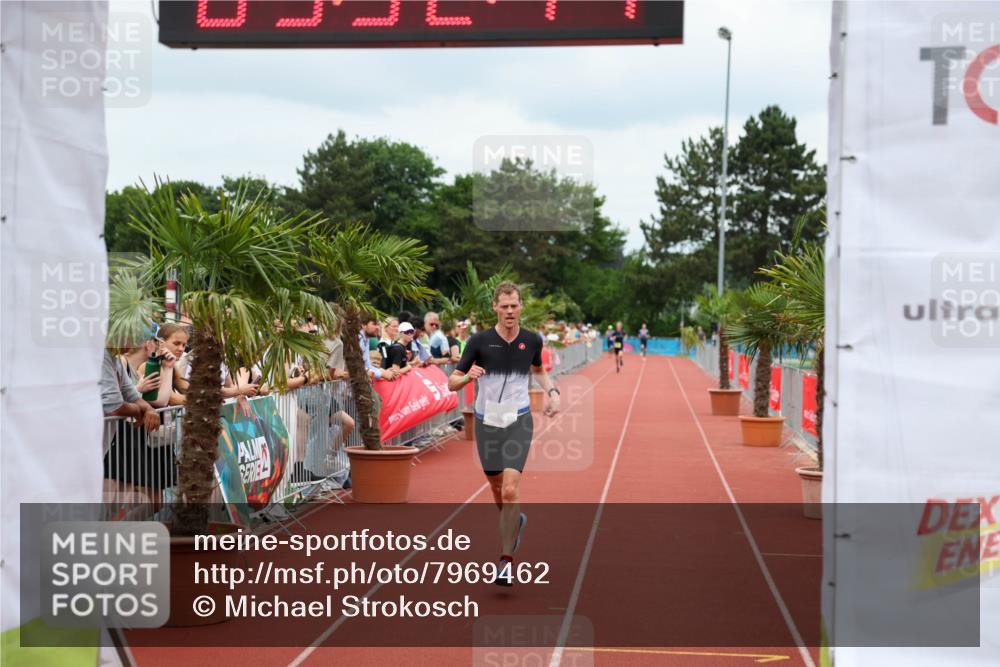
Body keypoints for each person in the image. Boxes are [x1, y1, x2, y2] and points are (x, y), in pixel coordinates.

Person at [448, 281, 560, 587]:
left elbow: (537, 370)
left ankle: (506, 561)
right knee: (498, 490)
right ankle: (515, 521)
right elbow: (452, 382)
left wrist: (553, 391)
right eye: (504, 306)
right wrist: (466, 377)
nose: (510, 311)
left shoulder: (532, 340)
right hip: (487, 423)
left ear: (521, 306)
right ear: (495, 308)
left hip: (518, 420)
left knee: (511, 490)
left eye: (514, 305)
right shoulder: (479, 342)